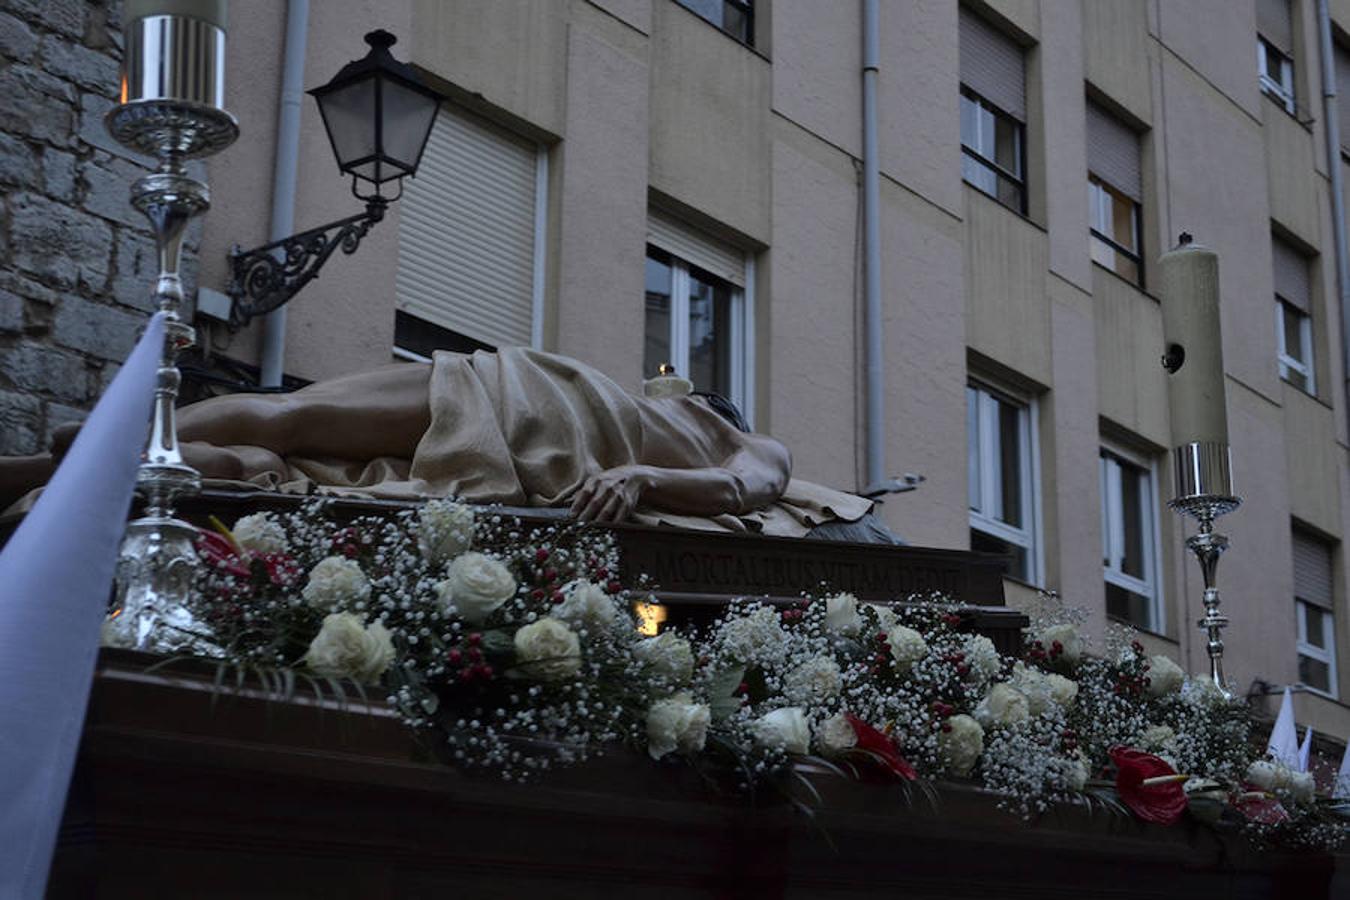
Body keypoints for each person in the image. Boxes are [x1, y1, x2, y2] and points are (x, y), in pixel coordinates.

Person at [1, 348, 878, 538]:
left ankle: (80, 456)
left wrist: (642, 476)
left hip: (534, 403)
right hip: (540, 408)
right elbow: (743, 492)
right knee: (289, 424)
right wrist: (644, 476)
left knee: (288, 442)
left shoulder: (745, 439)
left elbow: (745, 494)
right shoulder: (748, 440)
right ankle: (99, 446)